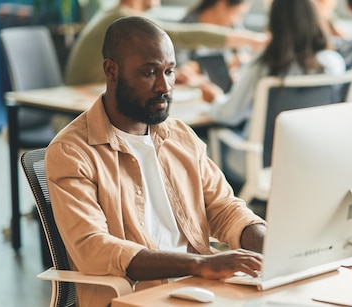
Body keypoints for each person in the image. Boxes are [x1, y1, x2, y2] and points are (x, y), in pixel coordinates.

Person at [46, 16, 266, 307]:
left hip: (201, 289)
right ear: (111, 70)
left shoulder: (179, 136)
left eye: (170, 71)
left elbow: (224, 208)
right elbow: (94, 248)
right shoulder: (71, 152)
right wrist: (197, 265)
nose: (165, 86)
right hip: (135, 297)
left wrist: (266, 240)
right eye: (149, 73)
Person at [201, 0, 346, 185]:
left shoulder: (264, 64)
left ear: (275, 22)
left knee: (210, 136)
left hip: (264, 165)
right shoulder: (334, 63)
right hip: (313, 160)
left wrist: (215, 99)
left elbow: (230, 115)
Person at [64, 0, 267, 86]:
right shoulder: (122, 19)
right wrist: (255, 40)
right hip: (80, 108)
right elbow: (182, 35)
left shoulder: (115, 14)